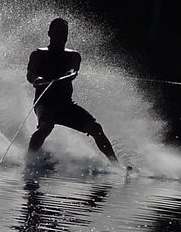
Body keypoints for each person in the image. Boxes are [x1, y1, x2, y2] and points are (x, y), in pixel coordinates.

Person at [26, 18, 121, 167]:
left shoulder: (73, 55)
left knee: (96, 128)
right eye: (57, 33)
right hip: (45, 103)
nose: (61, 36)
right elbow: (30, 74)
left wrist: (71, 73)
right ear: (50, 33)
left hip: (66, 105)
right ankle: (28, 160)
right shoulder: (38, 54)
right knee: (46, 126)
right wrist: (37, 79)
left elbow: (73, 69)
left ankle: (117, 166)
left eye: (64, 33)